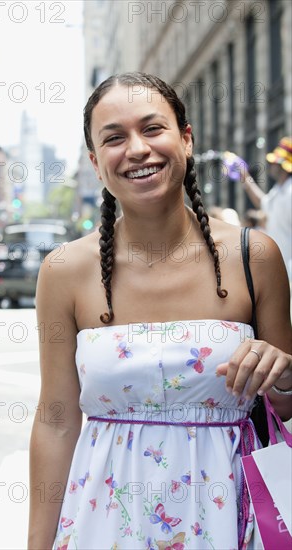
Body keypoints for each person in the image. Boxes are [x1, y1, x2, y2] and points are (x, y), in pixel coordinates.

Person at [28, 72, 292, 550]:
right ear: (95, 162)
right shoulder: (64, 270)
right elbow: (56, 419)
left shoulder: (256, 256)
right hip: (102, 522)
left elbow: (284, 407)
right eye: (114, 138)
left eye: (153, 129)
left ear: (185, 140)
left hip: (229, 517)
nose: (136, 149)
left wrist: (285, 375)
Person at [240, 137, 292, 280]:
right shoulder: (278, 190)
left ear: (283, 165)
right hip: (282, 268)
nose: (271, 165)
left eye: (274, 162)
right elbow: (263, 202)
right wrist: (246, 178)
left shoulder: (290, 190)